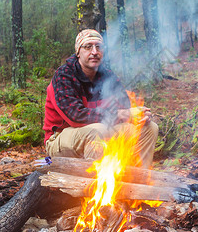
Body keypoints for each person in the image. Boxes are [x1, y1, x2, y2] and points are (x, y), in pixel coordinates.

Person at [43, 29, 158, 168]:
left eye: (99, 47)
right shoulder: (64, 76)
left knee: (149, 128)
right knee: (98, 131)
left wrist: (138, 115)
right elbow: (75, 116)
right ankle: (94, 187)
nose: (94, 52)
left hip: (102, 130)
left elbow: (124, 106)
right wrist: (121, 114)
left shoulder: (107, 75)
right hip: (59, 139)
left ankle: (138, 181)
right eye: (88, 47)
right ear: (78, 52)